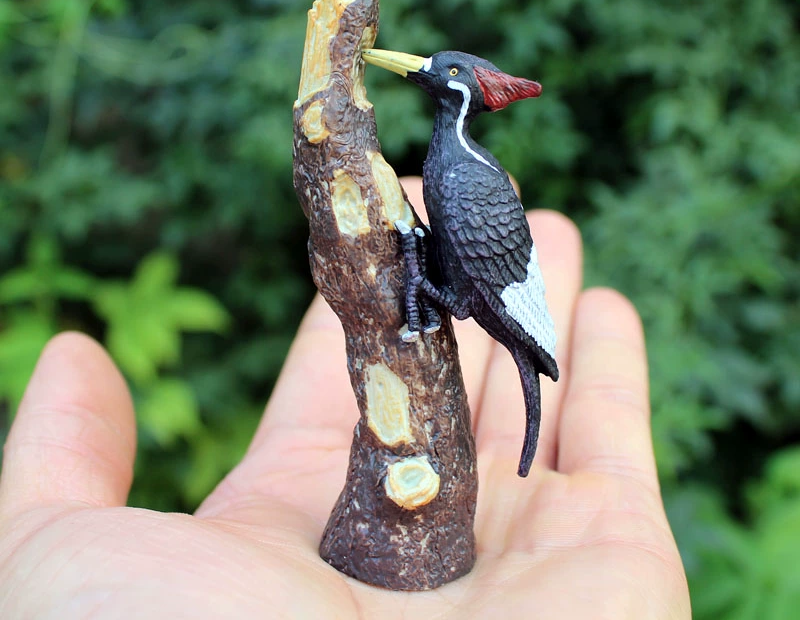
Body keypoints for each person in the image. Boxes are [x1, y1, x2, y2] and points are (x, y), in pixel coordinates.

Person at [0, 179, 690, 618]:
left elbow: (479, 287)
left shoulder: (470, 175)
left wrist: (423, 277)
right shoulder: (456, 168)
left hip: (473, 305)